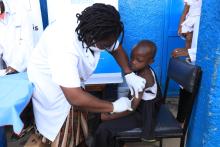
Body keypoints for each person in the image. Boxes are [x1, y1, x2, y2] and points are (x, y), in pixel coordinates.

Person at [27, 3, 146, 142]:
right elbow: (75, 98)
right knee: (61, 128)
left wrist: (128, 73)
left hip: (72, 85)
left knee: (78, 121)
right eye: (104, 45)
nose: (108, 47)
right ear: (91, 37)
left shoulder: (96, 25)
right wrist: (114, 106)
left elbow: (115, 47)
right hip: (50, 85)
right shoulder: (63, 45)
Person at [93, 40, 162, 147]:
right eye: (132, 57)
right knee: (101, 114)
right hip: (137, 106)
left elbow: (132, 108)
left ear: (150, 61)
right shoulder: (140, 70)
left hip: (143, 114)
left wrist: (110, 117)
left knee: (104, 128)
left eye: (138, 60)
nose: (133, 62)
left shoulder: (145, 79)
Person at [0, 0, 33, 75]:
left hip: (26, 68)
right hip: (9, 72)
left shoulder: (20, 12)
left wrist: (15, 66)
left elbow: (27, 43)